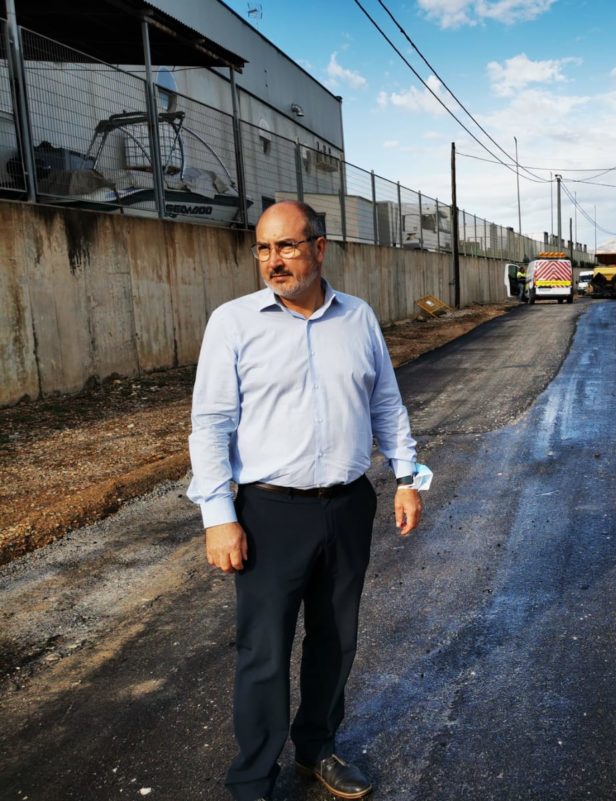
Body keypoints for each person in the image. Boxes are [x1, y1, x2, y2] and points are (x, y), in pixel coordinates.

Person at [187, 200, 424, 801]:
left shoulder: (359, 318)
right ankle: (252, 780)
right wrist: (219, 517)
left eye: (287, 246)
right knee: (263, 649)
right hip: (269, 512)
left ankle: (316, 750)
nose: (274, 261)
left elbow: (387, 404)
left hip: (347, 506)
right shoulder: (234, 323)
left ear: (319, 248)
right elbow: (210, 424)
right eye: (264, 249)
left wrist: (407, 477)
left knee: (335, 638)